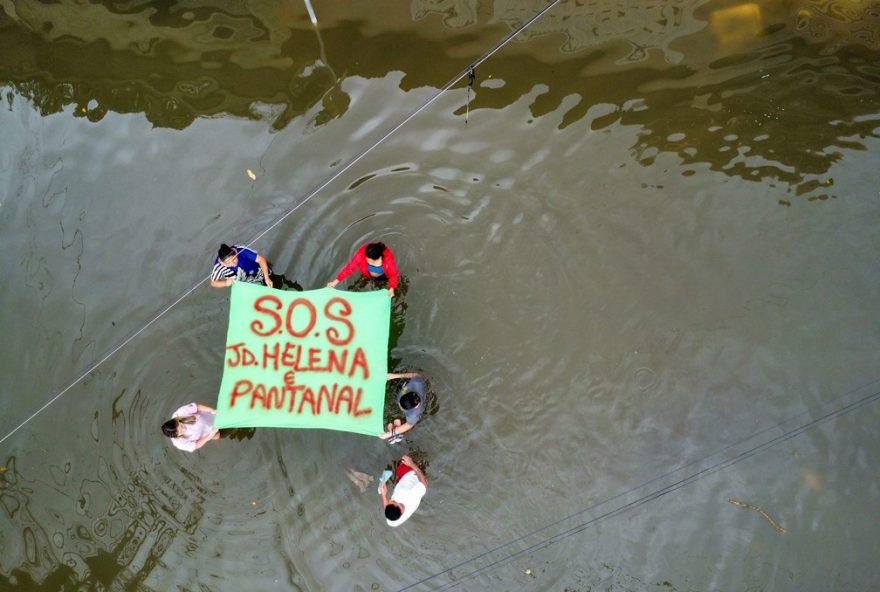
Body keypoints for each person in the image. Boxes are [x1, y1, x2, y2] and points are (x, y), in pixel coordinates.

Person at [327, 242, 398, 297]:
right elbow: (349, 268)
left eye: (372, 262)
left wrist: (392, 288)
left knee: (385, 284)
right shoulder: (361, 254)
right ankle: (369, 280)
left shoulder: (388, 259)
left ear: (379, 257)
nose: (369, 263)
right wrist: (335, 281)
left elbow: (393, 274)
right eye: (368, 260)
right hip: (368, 274)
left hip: (382, 276)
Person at [380, 455, 427, 527]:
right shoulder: (411, 498)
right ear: (400, 507)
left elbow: (388, 508)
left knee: (400, 466)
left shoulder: (393, 521)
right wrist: (412, 464)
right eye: (394, 501)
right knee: (407, 457)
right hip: (412, 475)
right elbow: (424, 483)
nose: (390, 501)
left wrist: (384, 495)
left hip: (402, 481)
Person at [379, 372, 427, 443]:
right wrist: (395, 376)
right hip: (404, 390)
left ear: (416, 406)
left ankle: (396, 433)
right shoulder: (417, 382)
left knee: (396, 424)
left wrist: (390, 433)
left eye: (402, 408)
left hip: (409, 415)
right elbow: (415, 375)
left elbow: (409, 425)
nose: (400, 407)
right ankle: (396, 430)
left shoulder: (414, 414)